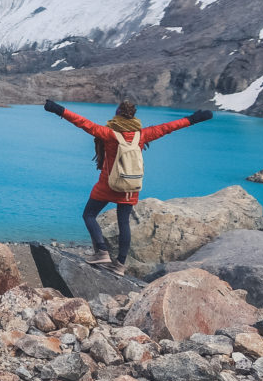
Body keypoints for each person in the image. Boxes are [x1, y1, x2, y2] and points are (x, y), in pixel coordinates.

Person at [43, 98, 213, 275]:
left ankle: (101, 252)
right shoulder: (142, 135)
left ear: (117, 115)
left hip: (108, 185)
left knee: (89, 214)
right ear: (133, 117)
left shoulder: (108, 134)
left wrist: (58, 109)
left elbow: (82, 122)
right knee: (124, 222)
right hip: (130, 186)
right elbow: (169, 127)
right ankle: (119, 265)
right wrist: (194, 118)